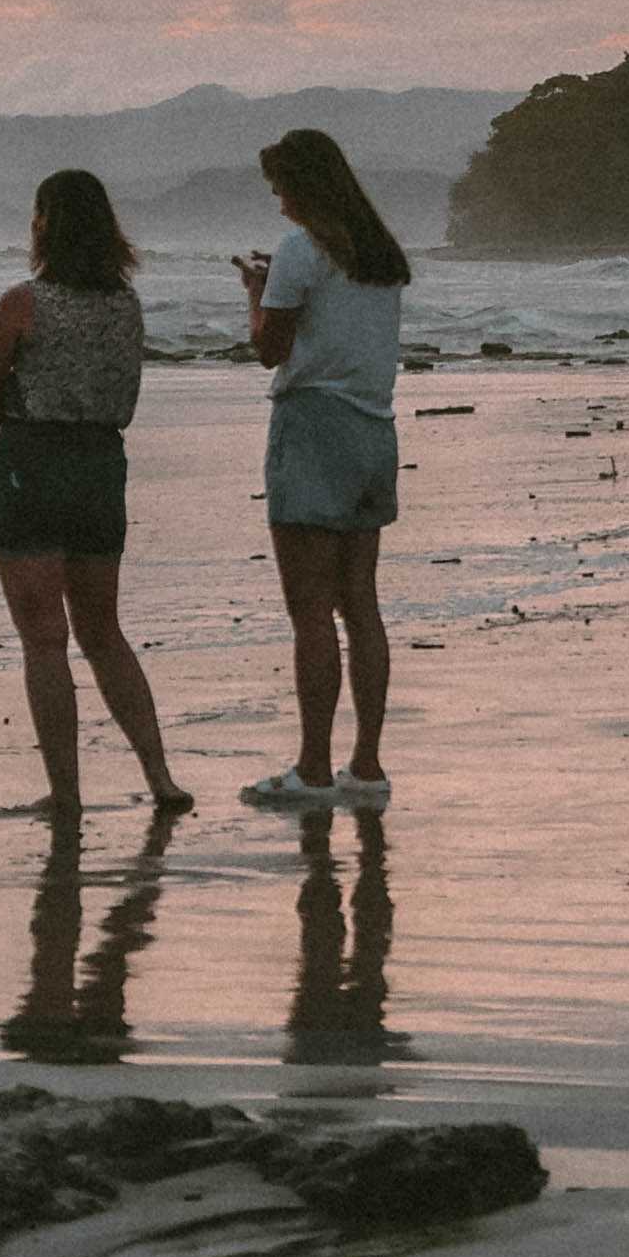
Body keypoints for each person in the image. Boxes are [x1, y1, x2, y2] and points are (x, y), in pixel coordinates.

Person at [0, 168, 190, 821]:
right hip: (100, 464)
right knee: (104, 631)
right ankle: (159, 774)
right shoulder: (126, 305)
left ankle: (66, 791)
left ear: (45, 223)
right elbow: (125, 397)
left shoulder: (23, 303)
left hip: (31, 463)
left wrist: (22, 393)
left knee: (44, 639)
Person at [235, 126, 407, 807]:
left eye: (280, 184)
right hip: (373, 425)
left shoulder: (299, 251)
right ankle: (365, 764)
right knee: (359, 602)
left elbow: (270, 349)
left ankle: (312, 766)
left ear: (302, 186)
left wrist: (256, 290)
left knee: (309, 609)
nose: (276, 197)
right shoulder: (379, 255)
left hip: (312, 426)